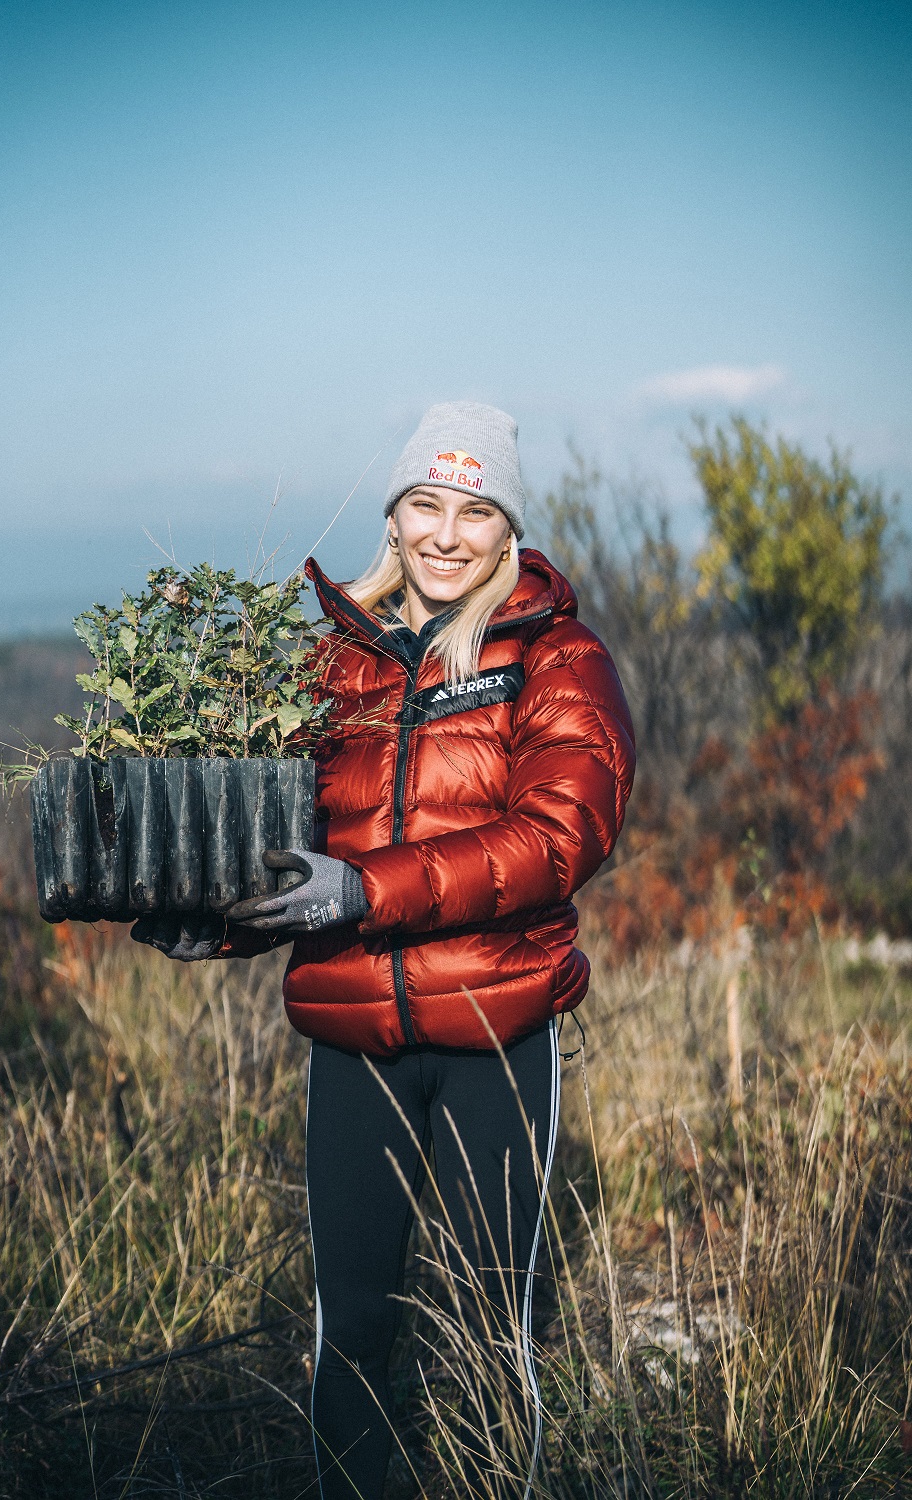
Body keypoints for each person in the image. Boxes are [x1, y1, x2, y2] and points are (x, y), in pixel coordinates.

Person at [134, 401, 635, 1499]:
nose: (446, 534)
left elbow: (556, 840)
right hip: (351, 1036)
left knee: (491, 1319)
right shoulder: (332, 665)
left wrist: (365, 890)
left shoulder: (558, 656)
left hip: (495, 1035)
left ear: (508, 532)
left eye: (474, 510)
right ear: (394, 516)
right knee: (352, 1322)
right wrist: (211, 921)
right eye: (424, 504)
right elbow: (292, 852)